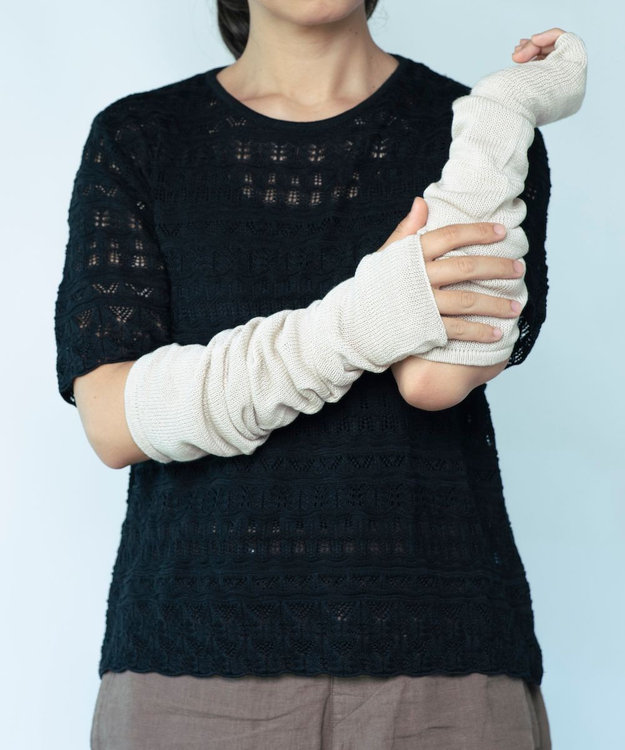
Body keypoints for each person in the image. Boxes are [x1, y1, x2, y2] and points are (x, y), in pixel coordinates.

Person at [53, 1, 585, 747]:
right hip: (189, 662)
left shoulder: (475, 131)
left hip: (441, 654)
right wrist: (361, 319)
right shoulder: (139, 137)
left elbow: (432, 379)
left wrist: (503, 108)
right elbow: (114, 420)